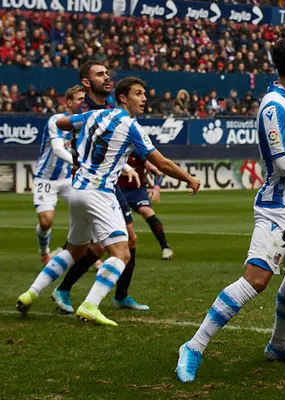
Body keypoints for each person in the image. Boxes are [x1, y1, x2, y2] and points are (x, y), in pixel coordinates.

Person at [175, 37, 285, 383]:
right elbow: (282, 163)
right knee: (257, 279)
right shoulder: (273, 106)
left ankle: (279, 345)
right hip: (279, 207)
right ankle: (193, 346)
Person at [16, 77, 200, 326]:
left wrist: (80, 138)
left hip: (77, 189)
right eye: (138, 93)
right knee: (122, 254)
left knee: (74, 250)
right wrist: (189, 178)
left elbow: (61, 122)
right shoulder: (131, 126)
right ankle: (91, 305)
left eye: (144, 93)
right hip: (100, 192)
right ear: (123, 98)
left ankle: (31, 293)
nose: (144, 98)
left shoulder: (93, 116)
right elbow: (162, 162)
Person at [50, 61, 151, 313]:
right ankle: (65, 289)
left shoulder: (105, 108)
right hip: (92, 183)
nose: (107, 78)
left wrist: (126, 167)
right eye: (101, 74)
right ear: (87, 82)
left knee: (119, 241)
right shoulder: (88, 109)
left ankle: (119, 295)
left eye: (107, 74)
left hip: (106, 181)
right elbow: (69, 132)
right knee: (95, 245)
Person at [32, 85, 84, 264]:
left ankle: (82, 253)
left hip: (67, 178)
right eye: (79, 99)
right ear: (69, 102)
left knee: (87, 212)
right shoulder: (56, 120)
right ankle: (44, 251)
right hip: (46, 178)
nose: (83, 103)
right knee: (46, 222)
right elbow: (57, 150)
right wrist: (80, 164)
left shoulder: (84, 123)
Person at [118, 155, 174, 260]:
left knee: (147, 211)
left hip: (137, 190)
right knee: (121, 223)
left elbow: (158, 171)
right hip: (118, 190)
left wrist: (156, 187)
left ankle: (165, 247)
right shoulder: (115, 149)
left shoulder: (141, 151)